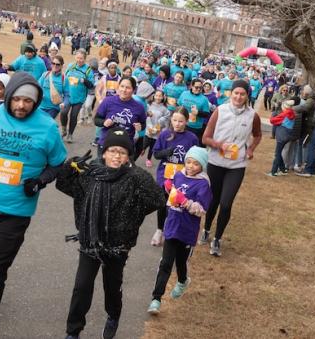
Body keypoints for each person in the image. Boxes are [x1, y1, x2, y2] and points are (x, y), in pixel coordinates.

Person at [0, 72, 67, 339]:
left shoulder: (47, 127)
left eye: (28, 101)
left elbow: (56, 164)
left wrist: (40, 181)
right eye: (17, 99)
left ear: (36, 103)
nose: (21, 106)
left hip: (16, 211)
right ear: (9, 97)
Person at [55, 128, 165, 339]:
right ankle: (73, 331)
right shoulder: (90, 174)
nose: (117, 156)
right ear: (104, 153)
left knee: (112, 287)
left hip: (118, 246)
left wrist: (132, 217)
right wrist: (69, 167)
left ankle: (113, 315)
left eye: (122, 152)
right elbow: (64, 184)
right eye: (113, 151)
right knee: (82, 287)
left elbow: (158, 199)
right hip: (90, 242)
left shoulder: (134, 178)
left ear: (128, 156)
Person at [147, 146, 212, 315]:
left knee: (180, 263)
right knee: (165, 263)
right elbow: (172, 197)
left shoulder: (203, 184)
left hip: (187, 230)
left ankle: (183, 281)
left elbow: (202, 209)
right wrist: (169, 187)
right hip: (172, 225)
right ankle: (156, 299)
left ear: (202, 166)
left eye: (196, 164)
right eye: (189, 161)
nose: (190, 166)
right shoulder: (178, 174)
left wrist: (186, 202)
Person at [201, 79, 262, 256]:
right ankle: (205, 230)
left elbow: (257, 135)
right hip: (216, 163)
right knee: (213, 200)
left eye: (242, 94)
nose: (238, 96)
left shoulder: (252, 116)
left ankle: (217, 239)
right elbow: (205, 138)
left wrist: (250, 149)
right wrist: (219, 145)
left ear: (247, 96)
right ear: (231, 93)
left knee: (226, 203)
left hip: (236, 165)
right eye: (236, 93)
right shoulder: (220, 111)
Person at [151, 107, 199, 246]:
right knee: (162, 202)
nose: (177, 124)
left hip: (182, 176)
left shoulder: (192, 138)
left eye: (181, 121)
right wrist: (167, 151)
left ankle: (172, 232)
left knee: (175, 203)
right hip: (164, 174)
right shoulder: (165, 134)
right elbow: (156, 154)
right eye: (175, 120)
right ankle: (159, 230)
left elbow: (196, 158)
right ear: (171, 120)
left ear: (187, 121)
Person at [94, 77, 147, 155]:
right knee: (101, 167)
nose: (124, 90)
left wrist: (140, 127)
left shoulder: (139, 107)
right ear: (118, 87)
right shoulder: (108, 101)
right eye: (122, 86)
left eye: (128, 87)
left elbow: (143, 124)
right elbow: (96, 120)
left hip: (125, 148)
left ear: (134, 90)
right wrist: (104, 122)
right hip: (106, 145)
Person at [61, 49, 95, 143]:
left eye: (82, 58)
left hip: (79, 98)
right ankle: (64, 129)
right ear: (75, 57)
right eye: (78, 58)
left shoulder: (88, 70)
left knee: (73, 116)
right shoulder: (70, 66)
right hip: (68, 95)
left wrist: (85, 81)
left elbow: (92, 85)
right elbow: (65, 78)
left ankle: (70, 135)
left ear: (85, 59)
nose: (79, 60)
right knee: (63, 112)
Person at [266, 100, 296, 176]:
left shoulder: (284, 114)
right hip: (288, 135)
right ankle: (283, 170)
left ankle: (273, 171)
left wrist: (274, 113)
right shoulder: (292, 112)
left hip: (282, 135)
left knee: (277, 154)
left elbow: (272, 120)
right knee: (278, 153)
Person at [178, 78, 211, 144]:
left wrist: (198, 112)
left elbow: (207, 114)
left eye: (200, 88)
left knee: (191, 144)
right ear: (191, 86)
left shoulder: (204, 99)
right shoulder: (184, 94)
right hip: (183, 124)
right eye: (196, 87)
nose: (198, 89)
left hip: (195, 127)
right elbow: (179, 105)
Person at [144, 90, 171, 168]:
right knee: (144, 144)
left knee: (152, 146)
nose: (158, 97)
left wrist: (157, 127)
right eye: (156, 95)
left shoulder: (165, 109)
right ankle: (142, 150)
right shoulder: (148, 105)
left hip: (157, 130)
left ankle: (148, 159)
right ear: (153, 96)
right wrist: (149, 127)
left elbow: (166, 119)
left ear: (163, 97)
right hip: (148, 129)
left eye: (160, 96)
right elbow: (146, 116)